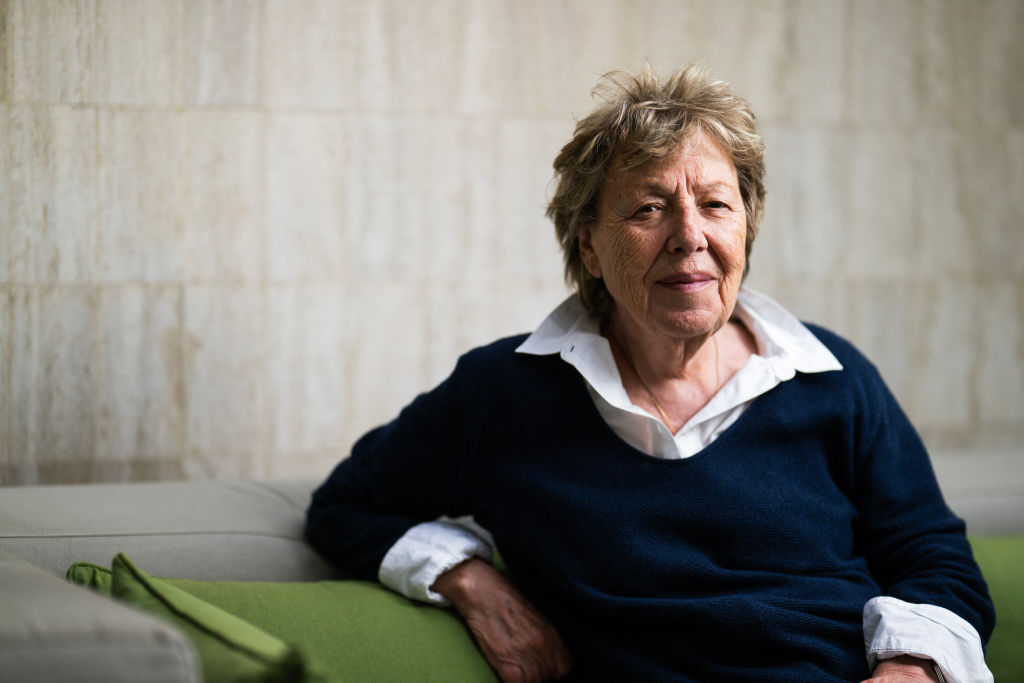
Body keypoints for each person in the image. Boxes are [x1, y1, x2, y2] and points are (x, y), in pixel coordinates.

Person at [306, 65, 994, 682]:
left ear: (744, 231)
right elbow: (346, 507)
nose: (689, 234)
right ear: (591, 249)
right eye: (648, 207)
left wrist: (912, 665)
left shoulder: (834, 379)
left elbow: (934, 554)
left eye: (716, 205)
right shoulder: (504, 394)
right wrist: (469, 579)